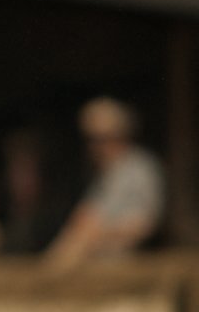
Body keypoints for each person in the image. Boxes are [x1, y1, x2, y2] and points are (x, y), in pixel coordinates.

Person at [46, 97, 165, 269]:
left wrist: (95, 237)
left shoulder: (139, 168)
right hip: (89, 266)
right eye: (91, 139)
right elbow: (84, 220)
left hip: (124, 268)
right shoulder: (106, 175)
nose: (95, 146)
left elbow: (143, 224)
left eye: (102, 138)